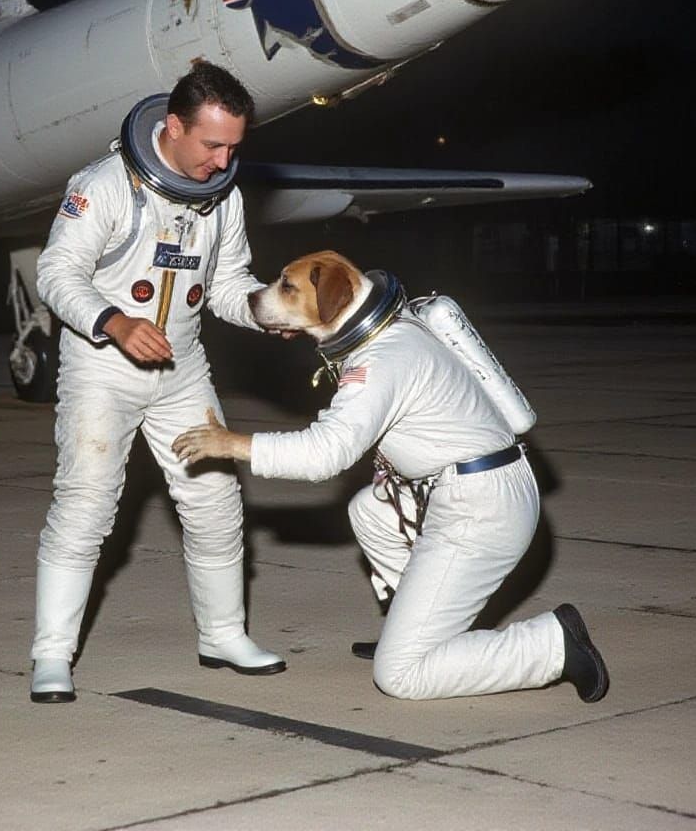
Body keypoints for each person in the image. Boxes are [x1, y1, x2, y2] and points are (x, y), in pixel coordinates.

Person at [173, 251, 609, 704]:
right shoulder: (397, 330)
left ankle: (552, 646)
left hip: (482, 507)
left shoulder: (382, 359)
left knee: (400, 675)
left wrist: (231, 444)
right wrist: (300, 317)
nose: (269, 295)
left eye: (287, 287)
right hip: (471, 487)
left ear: (334, 298)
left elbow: (325, 455)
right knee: (369, 511)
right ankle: (422, 626)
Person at [29, 61, 286, 703]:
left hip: (182, 366)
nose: (224, 159)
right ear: (173, 126)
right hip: (103, 367)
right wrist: (112, 321)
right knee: (87, 503)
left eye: (234, 146)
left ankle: (223, 635)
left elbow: (226, 283)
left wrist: (266, 312)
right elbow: (56, 273)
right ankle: (51, 657)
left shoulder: (223, 194)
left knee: (215, 501)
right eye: (212, 145)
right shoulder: (103, 185)